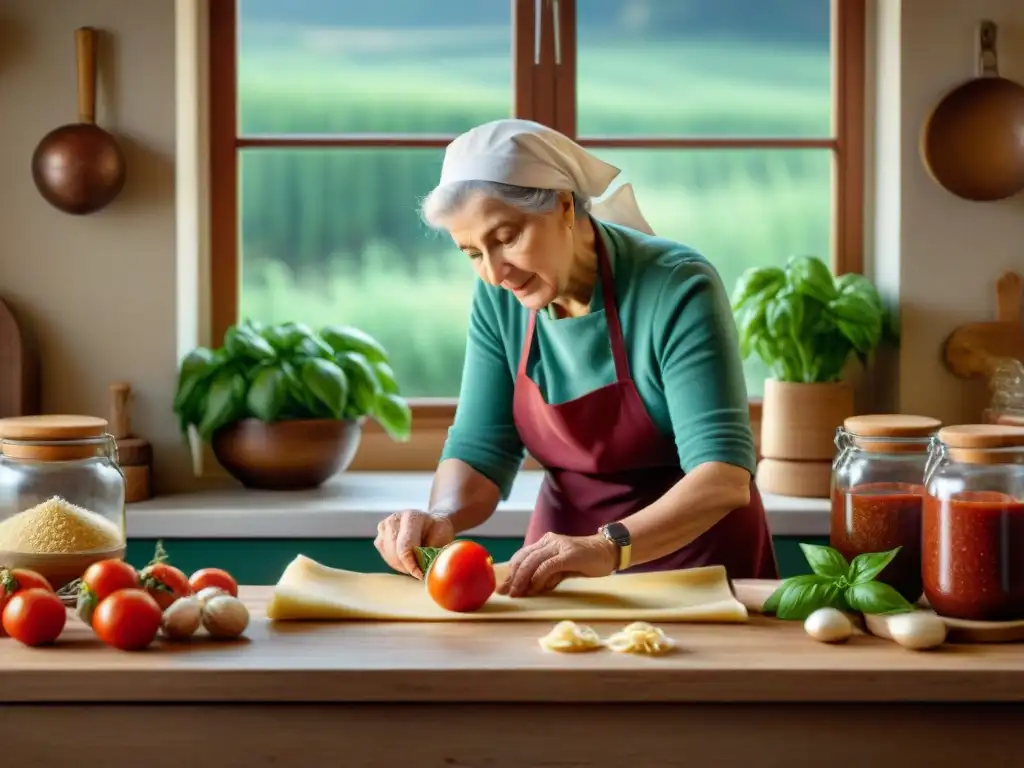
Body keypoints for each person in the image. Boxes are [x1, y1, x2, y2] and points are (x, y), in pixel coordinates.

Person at [374, 118, 778, 597]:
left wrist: (608, 547)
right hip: (559, 572)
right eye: (472, 252)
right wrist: (441, 517)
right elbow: (481, 451)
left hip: (698, 573)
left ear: (564, 205)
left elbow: (723, 478)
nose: (495, 271)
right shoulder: (501, 298)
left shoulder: (676, 286)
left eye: (506, 237)